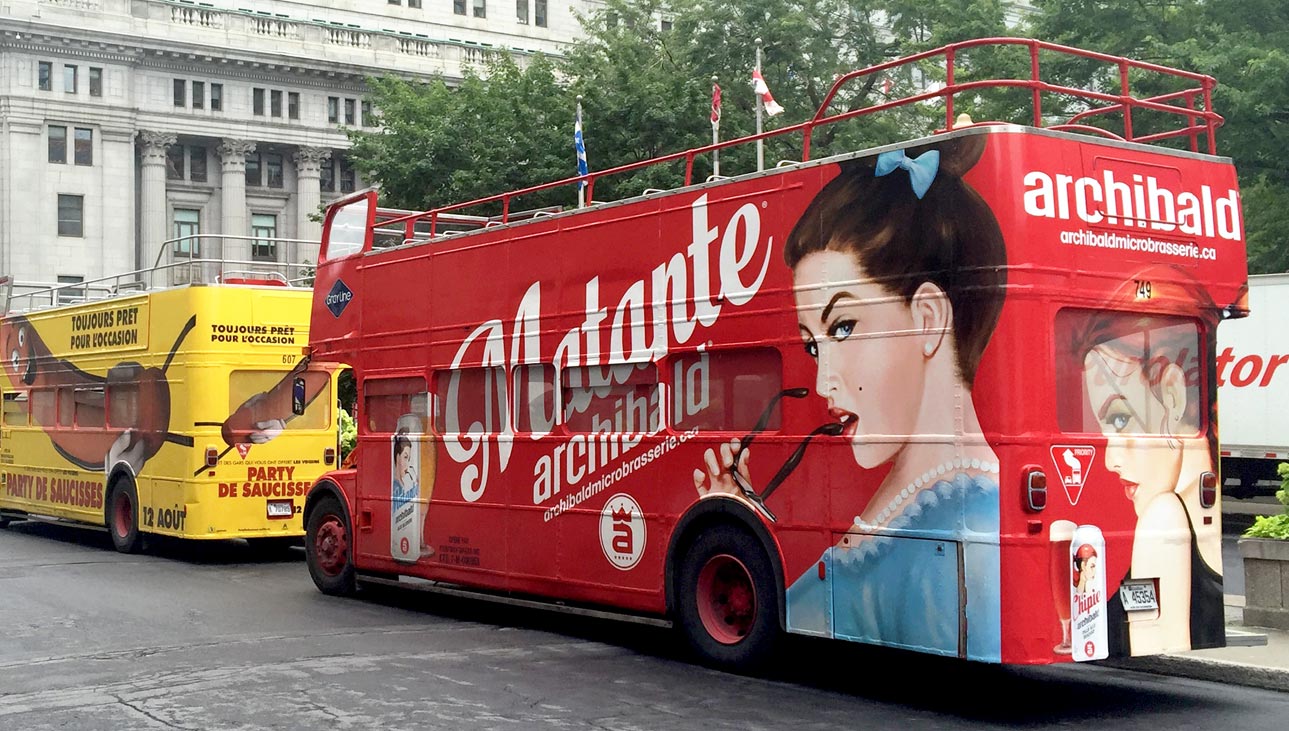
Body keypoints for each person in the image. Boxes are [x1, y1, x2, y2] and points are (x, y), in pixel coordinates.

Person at [693, 135, 1007, 660]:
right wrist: (745, 514)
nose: (822, 383)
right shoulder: (926, 505)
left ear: (928, 318)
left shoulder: (959, 525)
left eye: (843, 327)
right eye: (813, 345)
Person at [1071, 274, 1224, 654]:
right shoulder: (1199, 516)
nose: (1110, 459)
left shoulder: (1163, 516)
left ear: (1172, 395)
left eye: (1121, 419)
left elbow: (1155, 649)